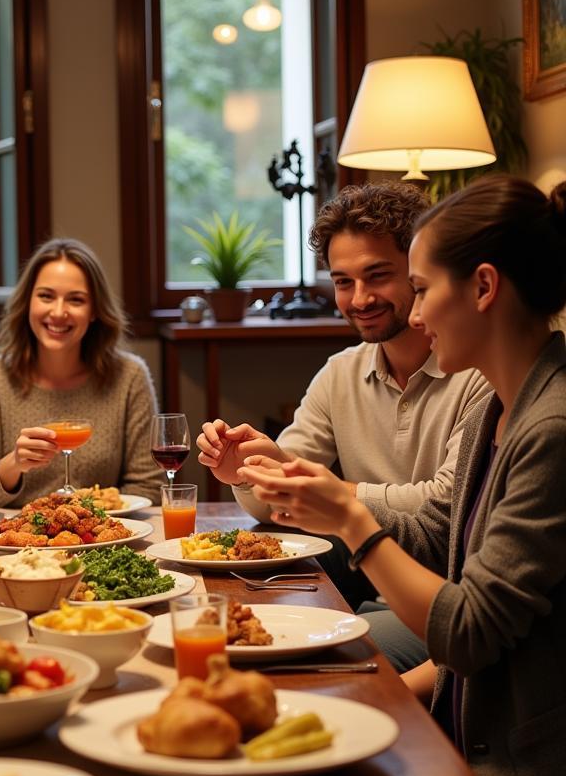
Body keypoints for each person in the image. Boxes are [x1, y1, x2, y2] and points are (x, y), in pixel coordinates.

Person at [239, 175, 566, 776]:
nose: (410, 313)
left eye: (417, 288)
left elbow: (471, 629)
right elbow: (440, 534)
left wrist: (354, 520)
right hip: (461, 714)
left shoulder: (549, 426)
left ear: (484, 287)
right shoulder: (495, 400)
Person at [196, 182, 491, 672]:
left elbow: (445, 505)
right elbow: (274, 502)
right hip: (364, 572)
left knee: (301, 655)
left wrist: (334, 493)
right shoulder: (341, 372)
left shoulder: (476, 372)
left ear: (419, 275)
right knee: (235, 607)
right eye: (342, 281)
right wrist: (247, 470)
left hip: (443, 590)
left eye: (378, 276)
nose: (360, 299)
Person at [0, 238, 163, 507]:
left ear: (94, 312)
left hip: (105, 540)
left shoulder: (129, 376)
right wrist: (14, 463)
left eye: (76, 300)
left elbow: (150, 486)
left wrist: (91, 511)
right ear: (28, 302)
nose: (58, 312)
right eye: (46, 296)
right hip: (16, 544)